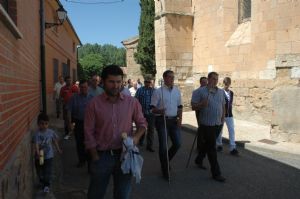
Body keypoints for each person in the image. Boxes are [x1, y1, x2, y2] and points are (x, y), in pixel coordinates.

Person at [84, 65, 147, 199]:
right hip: (102, 156)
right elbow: (88, 132)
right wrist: (95, 156)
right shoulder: (94, 104)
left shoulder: (132, 103)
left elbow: (142, 124)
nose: (115, 86)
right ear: (103, 81)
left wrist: (136, 138)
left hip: (125, 155)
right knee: (95, 194)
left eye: (118, 82)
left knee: (122, 194)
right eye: (111, 82)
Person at [191, 72, 226, 182]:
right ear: (208, 79)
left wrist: (223, 118)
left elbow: (223, 105)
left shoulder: (221, 92)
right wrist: (201, 104)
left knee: (208, 144)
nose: (215, 81)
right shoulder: (199, 91)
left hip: (218, 124)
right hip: (206, 124)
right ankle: (216, 173)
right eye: (213, 79)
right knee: (212, 148)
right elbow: (193, 106)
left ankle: (199, 159)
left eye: (217, 79)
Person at [150, 70, 182, 180]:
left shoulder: (177, 91)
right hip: (162, 120)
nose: (172, 79)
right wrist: (159, 111)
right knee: (163, 147)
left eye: (173, 77)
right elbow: (151, 109)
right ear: (164, 78)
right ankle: (165, 170)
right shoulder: (158, 92)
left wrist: (180, 120)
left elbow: (180, 107)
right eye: (169, 77)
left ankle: (166, 161)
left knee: (178, 144)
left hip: (174, 121)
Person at [33, 113, 62, 193]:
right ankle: (42, 181)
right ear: (38, 124)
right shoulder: (37, 134)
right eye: (42, 124)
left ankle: (47, 185)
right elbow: (36, 144)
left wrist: (58, 149)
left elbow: (55, 141)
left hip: (49, 155)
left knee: (47, 170)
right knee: (40, 170)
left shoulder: (50, 132)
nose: (44, 125)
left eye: (46, 123)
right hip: (41, 155)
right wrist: (38, 153)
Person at [67, 80, 93, 168]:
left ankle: (90, 163)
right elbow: (69, 111)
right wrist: (70, 123)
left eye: (85, 87)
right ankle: (82, 160)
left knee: (89, 142)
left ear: (88, 87)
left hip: (90, 124)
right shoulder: (74, 98)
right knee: (79, 142)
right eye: (81, 87)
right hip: (78, 123)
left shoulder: (92, 98)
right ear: (79, 88)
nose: (83, 89)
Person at [216, 77, 239, 155]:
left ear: (230, 84)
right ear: (223, 83)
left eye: (228, 83)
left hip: (229, 114)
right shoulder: (220, 92)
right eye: (225, 83)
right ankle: (219, 144)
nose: (227, 85)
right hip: (221, 115)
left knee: (232, 130)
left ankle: (232, 147)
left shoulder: (231, 93)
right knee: (219, 131)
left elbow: (230, 104)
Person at [191, 76, 208, 169]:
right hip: (200, 112)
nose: (205, 83)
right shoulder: (197, 92)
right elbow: (194, 106)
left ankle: (201, 147)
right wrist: (201, 105)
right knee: (201, 129)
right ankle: (200, 147)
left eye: (206, 82)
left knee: (203, 131)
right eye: (204, 82)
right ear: (200, 82)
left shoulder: (209, 91)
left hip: (208, 114)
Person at [135, 77, 155, 152]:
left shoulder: (153, 91)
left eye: (149, 82)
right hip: (142, 113)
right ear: (144, 82)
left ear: (150, 83)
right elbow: (136, 101)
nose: (148, 83)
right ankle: (141, 140)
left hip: (151, 113)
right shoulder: (140, 90)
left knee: (151, 130)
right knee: (141, 128)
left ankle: (149, 145)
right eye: (146, 82)